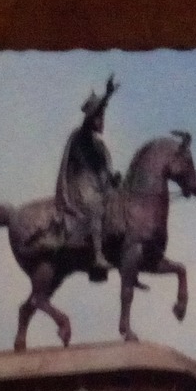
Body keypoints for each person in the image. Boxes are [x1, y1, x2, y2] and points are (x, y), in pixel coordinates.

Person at [56, 74, 121, 276]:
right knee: (95, 207)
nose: (102, 121)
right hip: (82, 186)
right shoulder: (81, 135)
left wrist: (114, 179)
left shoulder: (100, 146)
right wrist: (107, 96)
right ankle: (97, 255)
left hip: (101, 187)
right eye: (99, 117)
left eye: (103, 117)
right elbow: (90, 116)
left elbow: (105, 171)